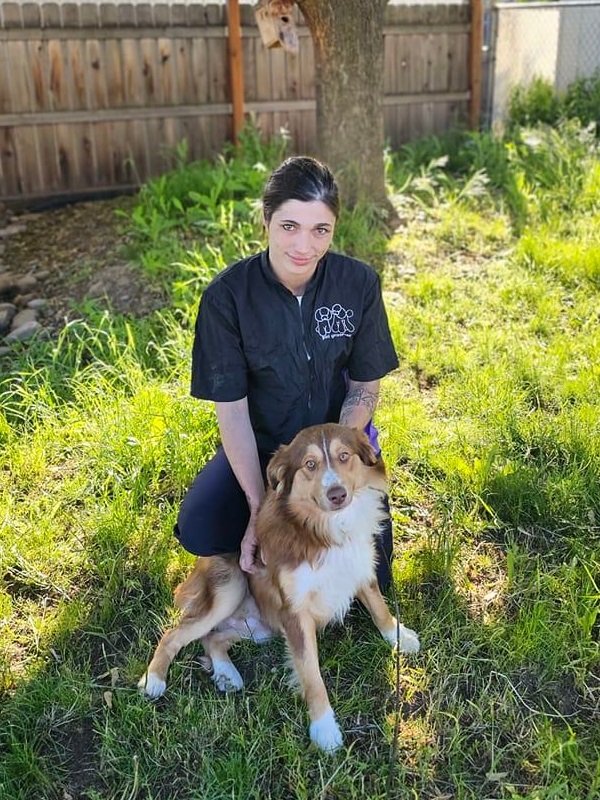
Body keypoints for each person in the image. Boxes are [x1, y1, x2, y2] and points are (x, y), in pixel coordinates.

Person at [174, 156, 399, 590]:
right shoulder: (227, 298)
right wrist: (261, 507)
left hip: (341, 446)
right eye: (289, 226)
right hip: (265, 449)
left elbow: (365, 384)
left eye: (321, 230)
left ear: (334, 228)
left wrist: (336, 463)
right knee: (201, 526)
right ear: (266, 219)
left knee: (372, 581)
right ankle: (271, 538)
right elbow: (233, 411)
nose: (304, 246)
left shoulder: (358, 283)